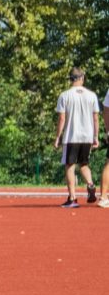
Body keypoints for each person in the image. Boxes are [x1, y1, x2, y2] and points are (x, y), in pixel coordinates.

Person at [53, 67, 99, 208]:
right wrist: (95, 136)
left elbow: (62, 118)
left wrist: (58, 137)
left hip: (71, 136)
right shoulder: (92, 95)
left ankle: (72, 198)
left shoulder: (64, 95)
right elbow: (95, 118)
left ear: (70, 79)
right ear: (82, 78)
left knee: (70, 166)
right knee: (84, 164)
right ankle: (90, 184)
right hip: (87, 136)